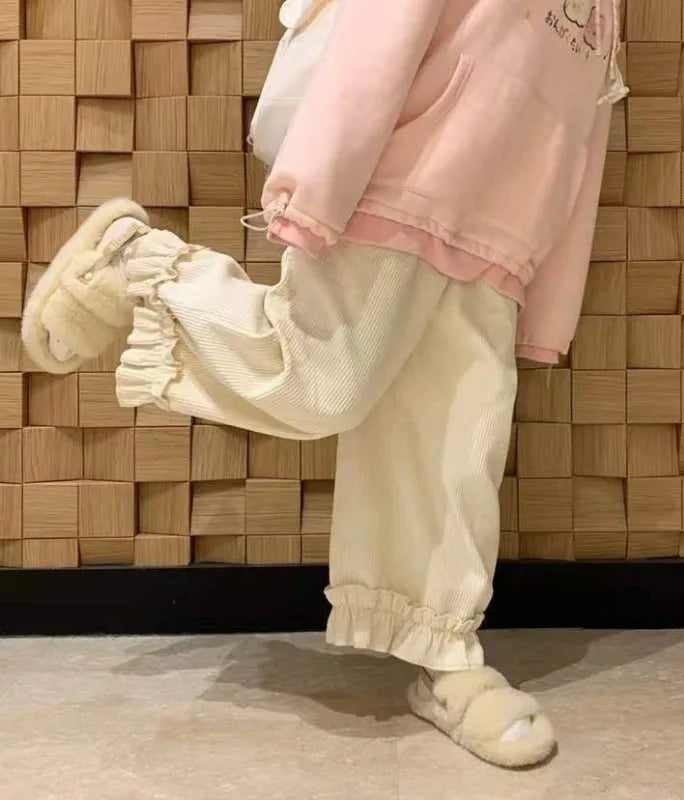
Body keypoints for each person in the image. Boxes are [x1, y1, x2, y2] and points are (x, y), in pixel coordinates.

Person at [22, 0, 626, 768]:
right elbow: (381, 27)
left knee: (455, 453)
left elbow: (581, 143)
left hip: (500, 244)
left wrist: (548, 307)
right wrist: (317, 183)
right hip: (399, 188)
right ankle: (141, 266)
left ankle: (449, 662)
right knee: (321, 380)